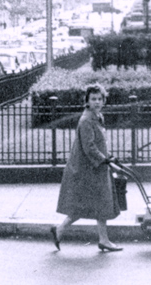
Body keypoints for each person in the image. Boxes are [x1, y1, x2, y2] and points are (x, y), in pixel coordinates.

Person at [52, 84, 121, 252]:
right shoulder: (86, 121)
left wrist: (108, 156)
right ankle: (61, 230)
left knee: (98, 204)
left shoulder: (96, 117)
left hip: (94, 167)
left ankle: (102, 239)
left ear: (104, 100)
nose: (97, 102)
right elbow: (89, 147)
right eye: (93, 99)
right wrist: (105, 160)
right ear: (87, 101)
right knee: (86, 205)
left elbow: (98, 143)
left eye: (99, 99)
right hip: (86, 170)